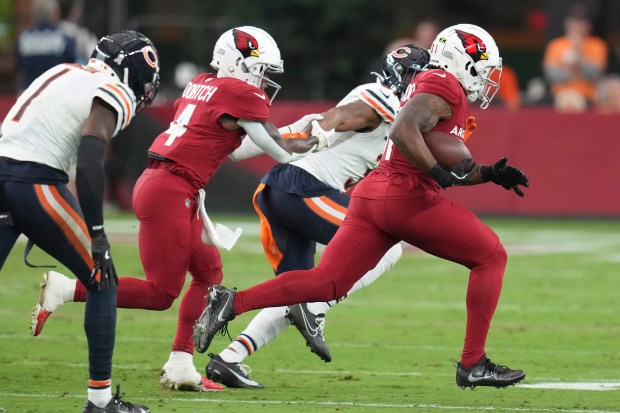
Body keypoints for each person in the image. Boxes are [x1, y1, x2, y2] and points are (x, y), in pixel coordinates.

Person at [194, 23, 530, 390]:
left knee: (326, 282)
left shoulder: (436, 91)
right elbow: (404, 131)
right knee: (491, 256)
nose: (486, 80)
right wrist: (436, 173)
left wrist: (490, 174)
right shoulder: (441, 84)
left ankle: (231, 302)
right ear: (462, 61)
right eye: (483, 69)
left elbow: (448, 162)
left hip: (375, 194)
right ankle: (473, 362)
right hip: (403, 194)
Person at [30, 26, 322, 392]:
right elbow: (277, 151)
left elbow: (237, 148)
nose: (264, 80)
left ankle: (181, 363)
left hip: (170, 184)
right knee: (160, 293)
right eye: (261, 70)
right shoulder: (239, 92)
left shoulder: (203, 83)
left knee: (208, 272)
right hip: (171, 189)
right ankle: (67, 288)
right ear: (239, 63)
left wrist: (296, 137)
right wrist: (318, 143)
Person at [204, 45, 430, 389]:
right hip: (304, 189)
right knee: (385, 245)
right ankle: (316, 307)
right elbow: (342, 115)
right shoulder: (385, 98)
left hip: (281, 190)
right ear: (404, 77)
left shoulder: (392, 105)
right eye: (420, 78)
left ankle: (229, 359)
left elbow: (301, 126)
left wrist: (239, 149)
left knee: (294, 290)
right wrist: (324, 130)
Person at [0, 30, 158, 412]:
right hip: (34, 182)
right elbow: (89, 161)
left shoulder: (63, 72)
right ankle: (100, 401)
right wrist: (98, 233)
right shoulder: (113, 91)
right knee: (102, 279)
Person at [543, 4, 608, 112]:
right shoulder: (556, 45)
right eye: (575, 21)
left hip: (587, 95)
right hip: (559, 94)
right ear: (567, 24)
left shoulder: (597, 45)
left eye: (582, 22)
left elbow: (596, 75)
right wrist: (577, 73)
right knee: (568, 101)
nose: (578, 26)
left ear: (589, 25)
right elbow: (551, 75)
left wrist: (579, 53)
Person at [16, 0, 77, 92]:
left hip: (29, 92)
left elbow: (19, 66)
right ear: (52, 14)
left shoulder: (23, 38)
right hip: (56, 91)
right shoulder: (64, 38)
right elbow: (72, 63)